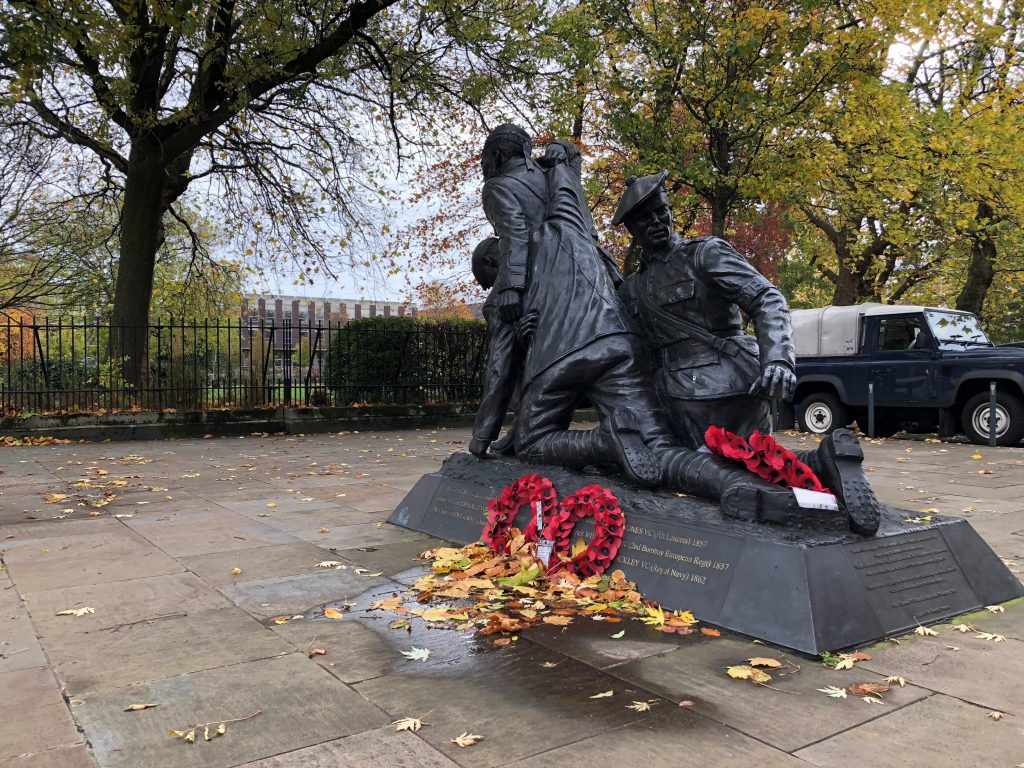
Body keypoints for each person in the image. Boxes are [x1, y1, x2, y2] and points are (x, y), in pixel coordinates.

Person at [614, 172, 796, 449]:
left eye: (661, 211)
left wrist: (778, 359)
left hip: (732, 390)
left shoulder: (704, 254)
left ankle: (824, 470)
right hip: (673, 399)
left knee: (756, 471)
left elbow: (766, 298)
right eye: (644, 218)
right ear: (632, 229)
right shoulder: (631, 289)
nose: (656, 222)